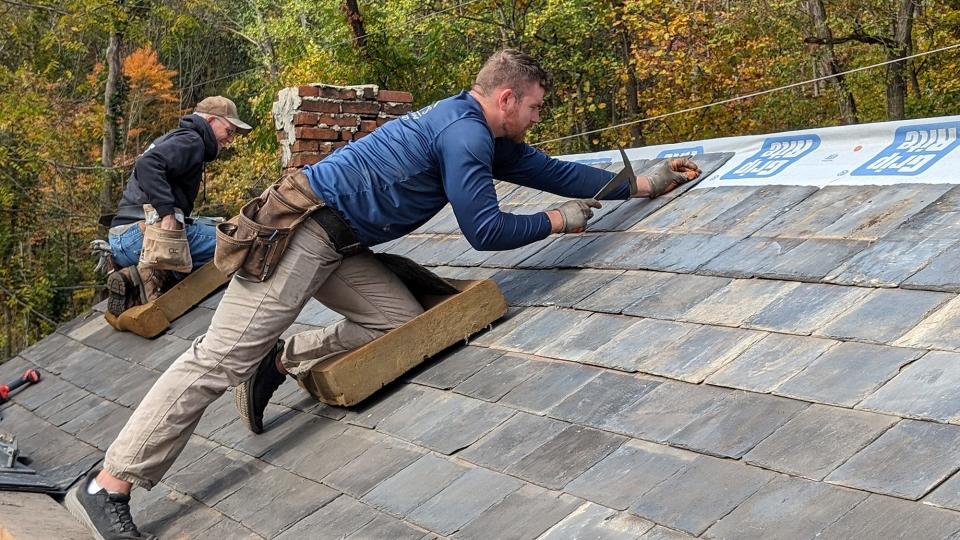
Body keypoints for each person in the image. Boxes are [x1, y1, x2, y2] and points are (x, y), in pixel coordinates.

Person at [66, 49, 700, 539]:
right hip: (297, 234)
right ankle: (111, 485)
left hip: (337, 243)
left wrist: (640, 185)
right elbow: (483, 231)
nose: (537, 118)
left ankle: (280, 358)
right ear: (506, 97)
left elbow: (549, 170)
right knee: (215, 361)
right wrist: (554, 223)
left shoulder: (479, 130)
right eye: (534, 107)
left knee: (399, 324)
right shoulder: (466, 134)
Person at [105, 96, 251, 316]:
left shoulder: (176, 138)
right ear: (211, 121)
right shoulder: (192, 140)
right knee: (239, 242)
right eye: (229, 131)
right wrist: (167, 214)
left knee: (207, 231)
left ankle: (135, 279)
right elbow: (148, 165)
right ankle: (158, 275)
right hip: (145, 238)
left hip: (122, 240)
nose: (230, 139)